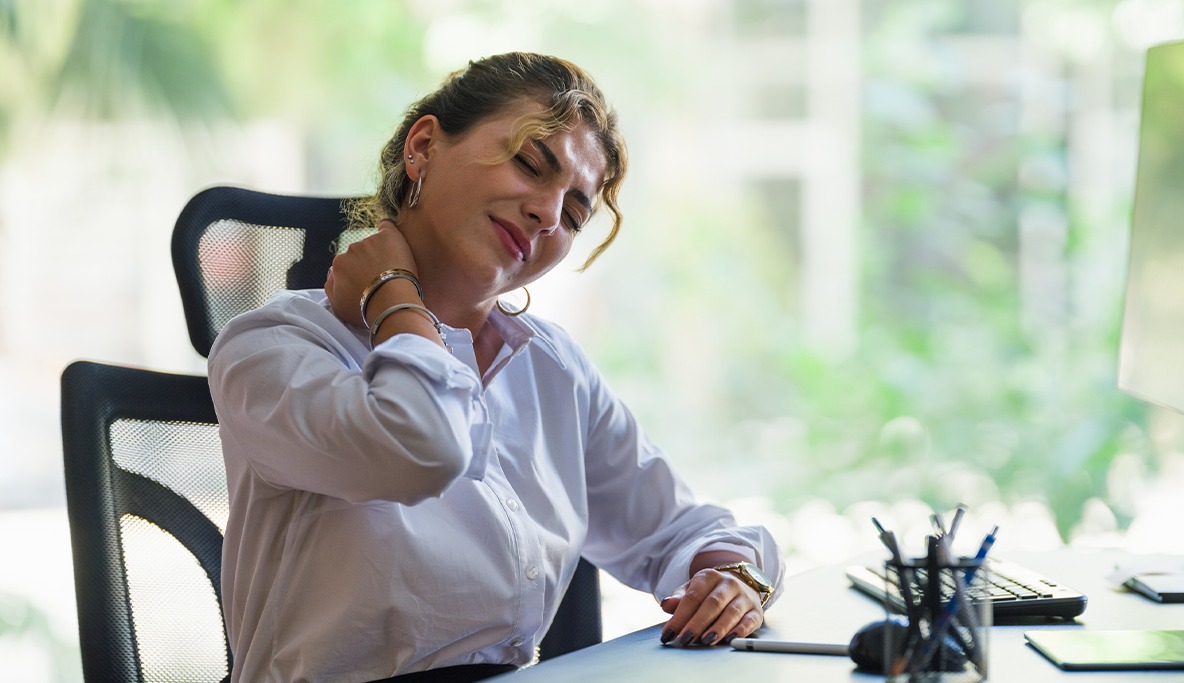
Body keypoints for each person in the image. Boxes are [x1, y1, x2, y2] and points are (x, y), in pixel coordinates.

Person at [208, 52, 784, 683]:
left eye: (573, 215)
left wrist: (732, 579)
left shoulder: (551, 368)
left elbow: (680, 529)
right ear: (423, 147)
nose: (548, 215)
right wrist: (393, 292)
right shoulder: (273, 346)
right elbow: (421, 448)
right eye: (530, 164)